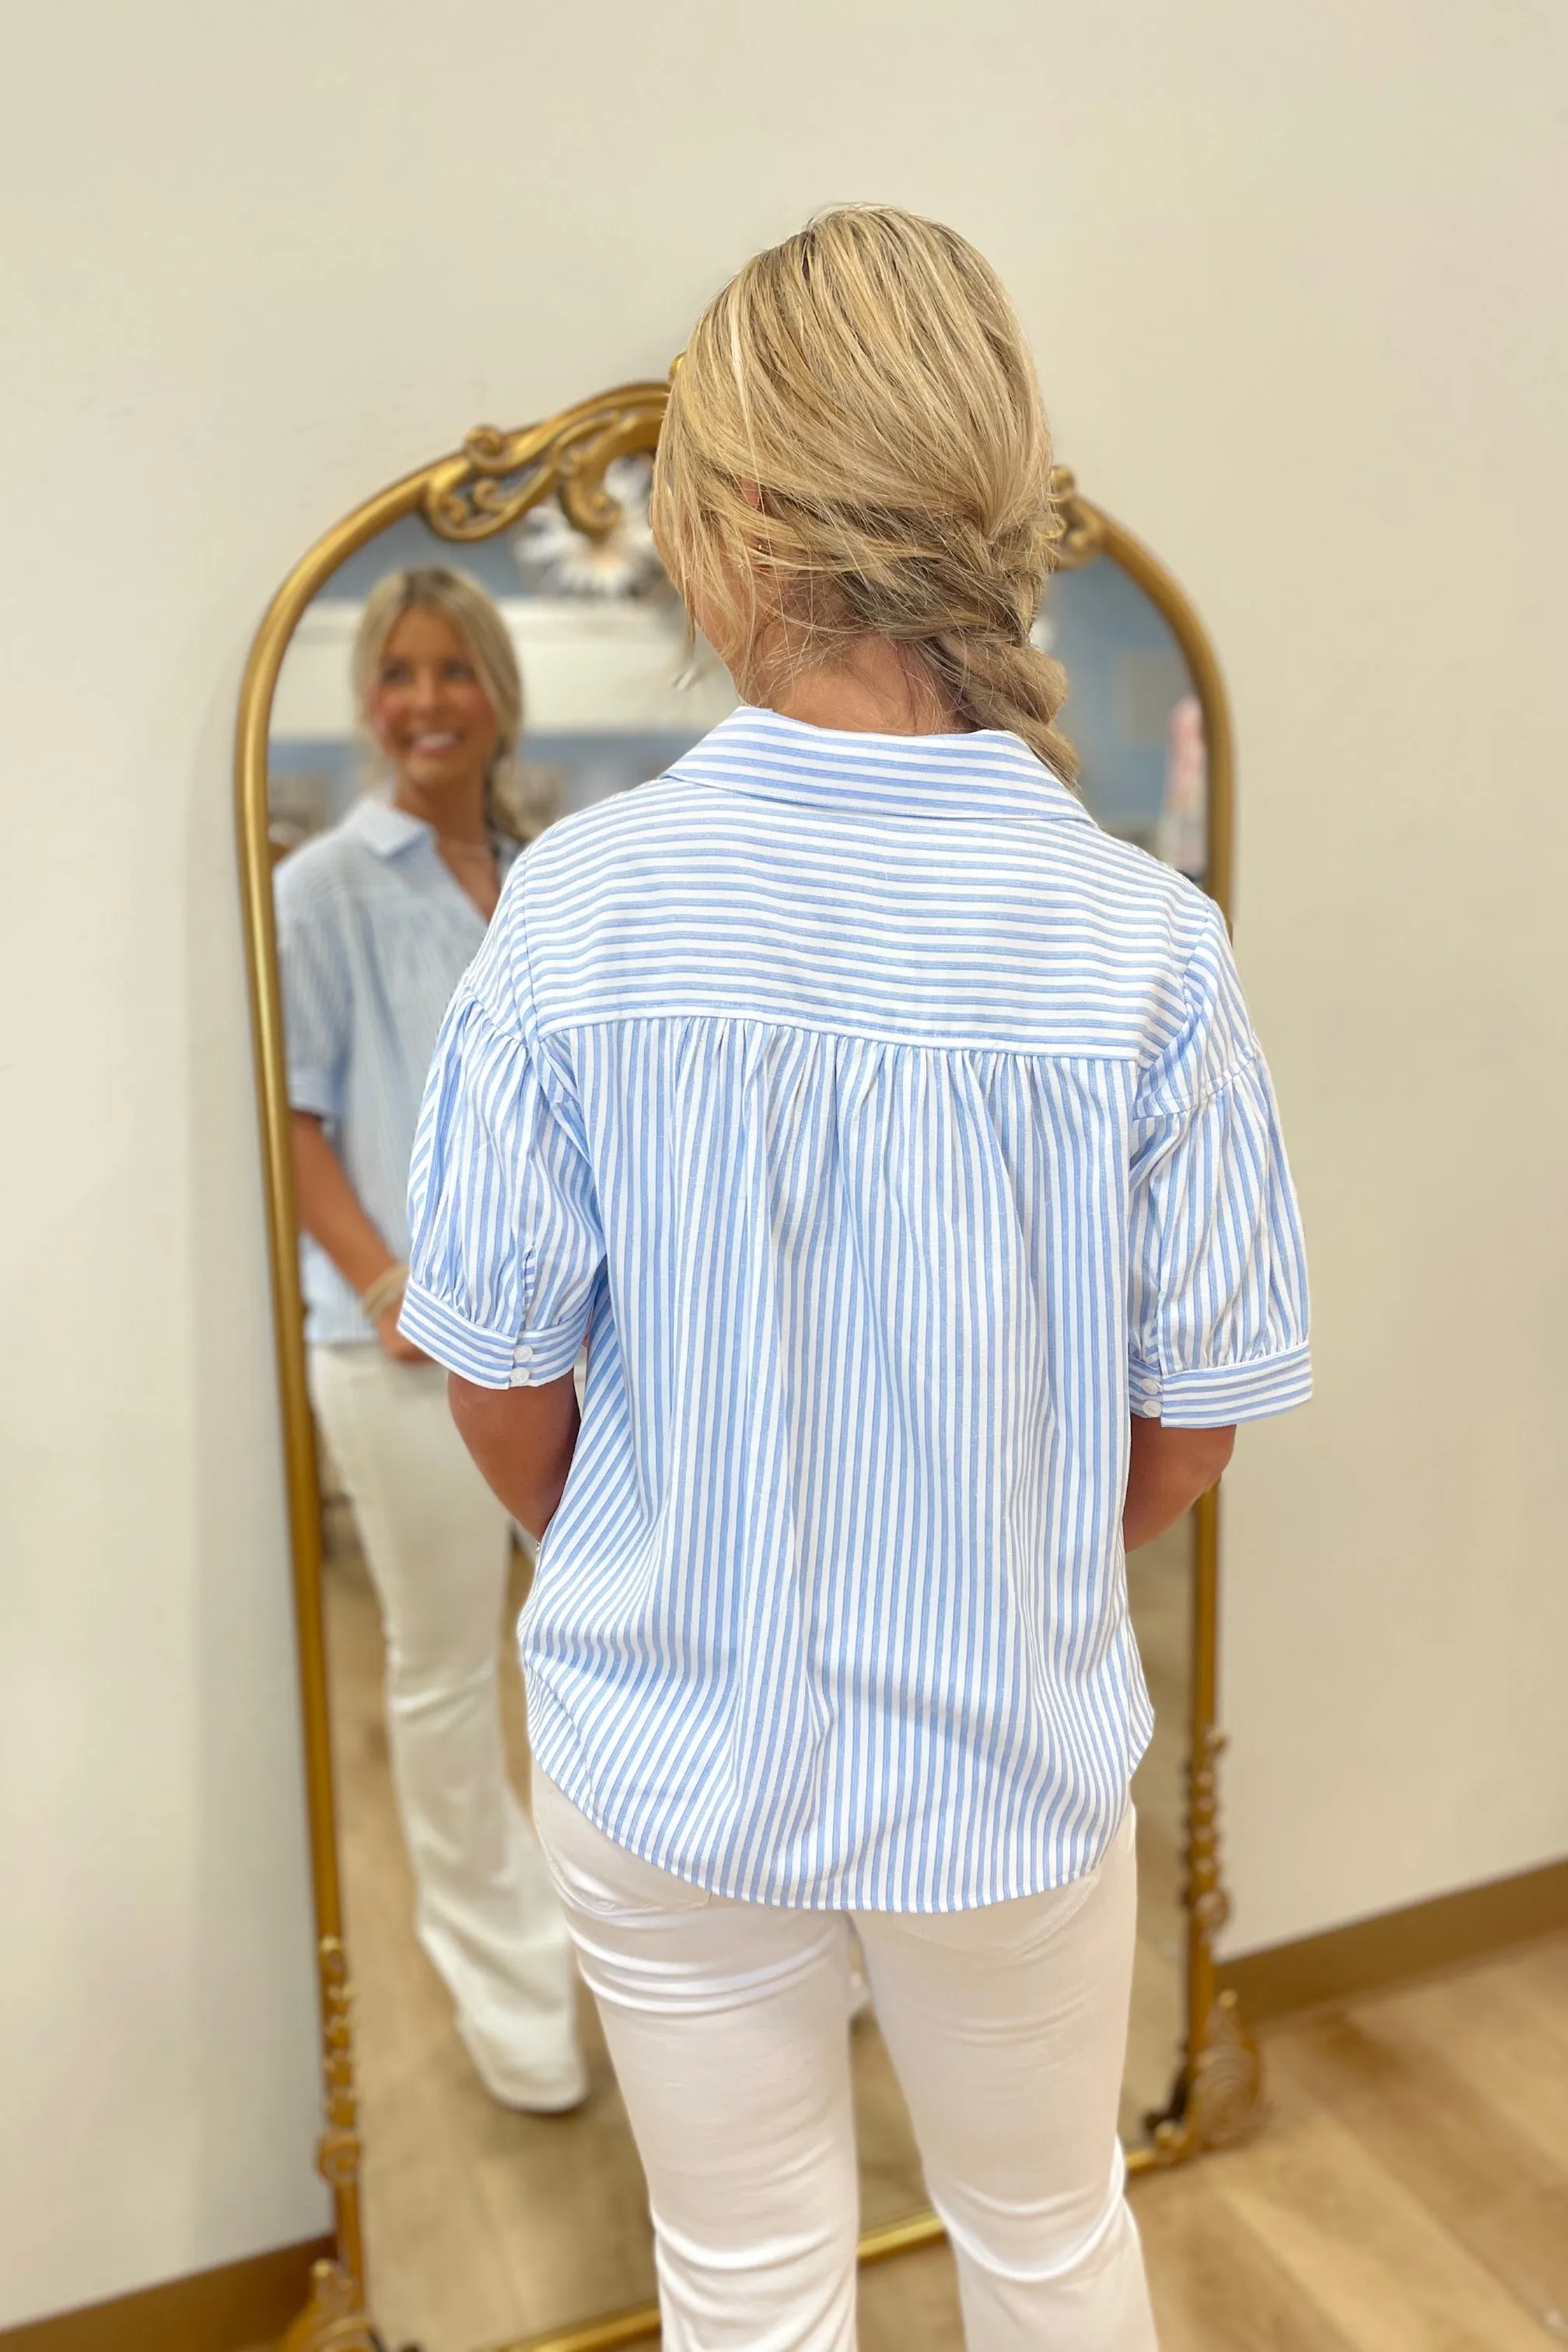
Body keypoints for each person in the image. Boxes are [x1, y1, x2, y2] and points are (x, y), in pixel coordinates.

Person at [401, 209, 1311, 2349]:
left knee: (739, 2285)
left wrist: (660, 1534)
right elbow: (1196, 1416)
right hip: (1005, 1754)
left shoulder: (580, 913)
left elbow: (502, 1383)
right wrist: (991, 1549)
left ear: (716, 530)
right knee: (1052, 2236)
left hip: (666, 1752)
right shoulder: (1140, 946)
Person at [274, 566, 584, 2112]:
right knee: (450, 1674)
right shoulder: (324, 886)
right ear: (368, 703)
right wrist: (391, 1282)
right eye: (397, 674)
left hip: (565, 1343)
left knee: (594, 1653)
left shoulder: (542, 878)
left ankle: (628, 1939)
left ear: (499, 692)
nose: (424, 702)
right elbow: (298, 1118)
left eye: (453, 670)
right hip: (400, 1361)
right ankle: (509, 1987)